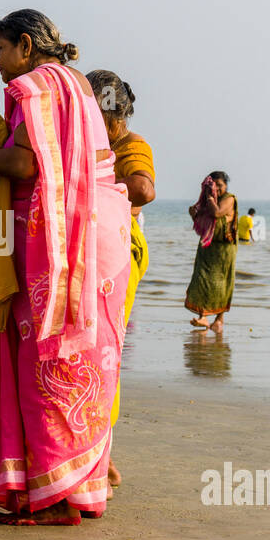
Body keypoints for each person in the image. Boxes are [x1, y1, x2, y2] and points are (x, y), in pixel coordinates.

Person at [0, 10, 130, 526]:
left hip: (52, 242)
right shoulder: (81, 89)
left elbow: (27, 164)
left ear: (24, 45)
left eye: (0, 50)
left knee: (42, 361)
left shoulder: (33, 87)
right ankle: (80, 489)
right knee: (85, 358)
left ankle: (52, 499)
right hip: (98, 238)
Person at [88, 68, 155, 488]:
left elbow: (144, 190)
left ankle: (102, 453)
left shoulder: (130, 145)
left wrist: (91, 183)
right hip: (98, 249)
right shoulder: (98, 146)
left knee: (104, 350)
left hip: (119, 254)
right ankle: (96, 454)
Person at [186, 171, 237, 331]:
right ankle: (204, 317)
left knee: (221, 284)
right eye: (214, 186)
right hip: (207, 247)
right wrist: (194, 215)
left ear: (226, 185)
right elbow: (205, 224)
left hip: (223, 249)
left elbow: (217, 213)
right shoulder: (208, 201)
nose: (217, 189)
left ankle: (219, 319)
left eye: (220, 186)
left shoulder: (228, 199)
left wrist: (209, 199)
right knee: (202, 280)